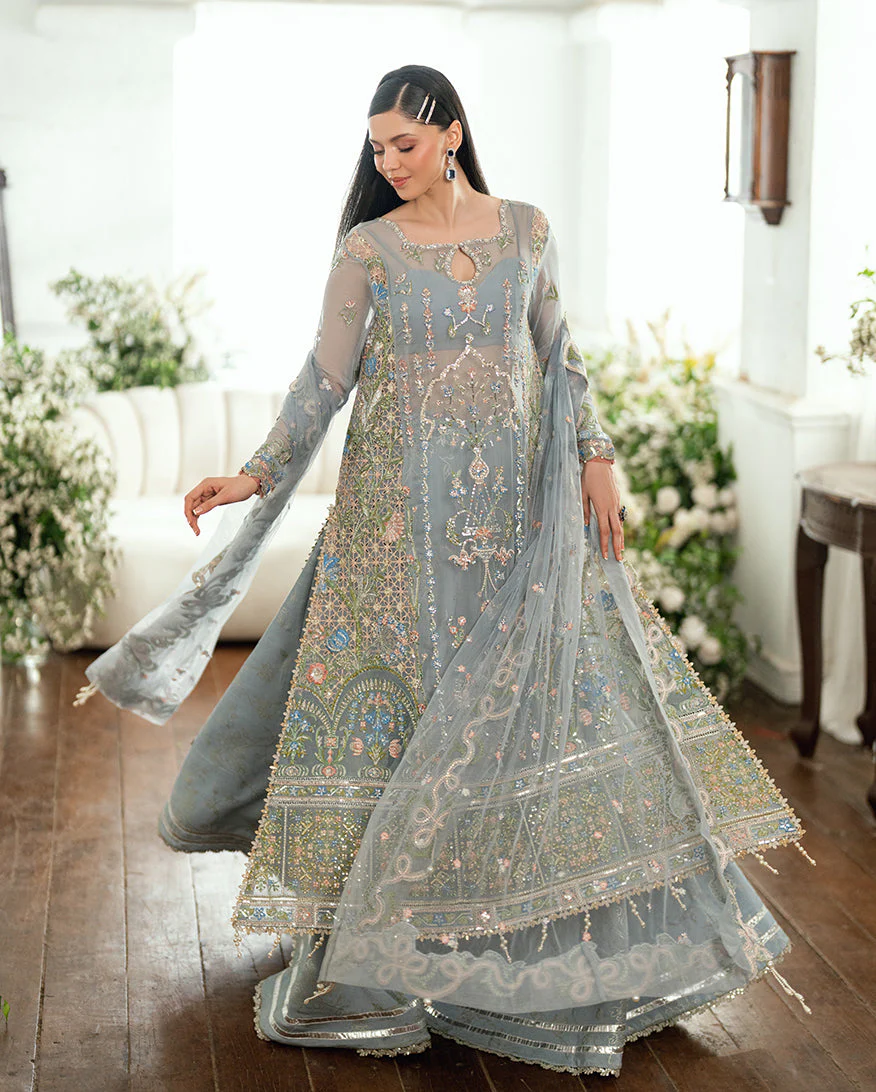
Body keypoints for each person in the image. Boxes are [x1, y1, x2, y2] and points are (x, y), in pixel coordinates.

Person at [75, 64, 811, 1076]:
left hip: (513, 523)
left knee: (526, 720)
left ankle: (524, 938)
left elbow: (559, 355)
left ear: (452, 133)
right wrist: (254, 472)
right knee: (406, 725)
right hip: (394, 530)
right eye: (377, 146)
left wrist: (595, 458)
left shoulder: (527, 231)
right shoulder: (367, 250)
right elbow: (323, 381)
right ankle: (398, 948)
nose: (387, 161)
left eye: (405, 144)